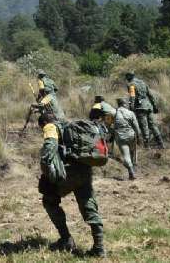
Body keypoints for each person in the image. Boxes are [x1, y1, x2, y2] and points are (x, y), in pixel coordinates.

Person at [38, 110, 105, 257]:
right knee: (89, 205)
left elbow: (49, 150)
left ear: (43, 123)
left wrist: (47, 170)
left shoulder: (50, 127)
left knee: (49, 200)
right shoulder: (68, 125)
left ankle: (66, 239)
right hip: (85, 171)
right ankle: (99, 248)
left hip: (69, 173)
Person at [102, 98, 140, 180]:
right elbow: (136, 127)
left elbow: (107, 124)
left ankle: (131, 172)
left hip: (120, 137)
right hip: (131, 135)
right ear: (125, 104)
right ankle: (133, 169)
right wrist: (138, 136)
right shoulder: (131, 113)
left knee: (126, 155)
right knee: (133, 153)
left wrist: (112, 131)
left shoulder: (113, 112)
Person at [125, 71, 164, 149]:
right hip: (149, 106)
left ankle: (147, 146)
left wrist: (131, 108)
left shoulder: (131, 85)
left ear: (129, 77)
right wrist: (155, 106)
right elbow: (150, 95)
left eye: (127, 77)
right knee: (153, 126)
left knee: (144, 127)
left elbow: (132, 97)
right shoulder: (142, 82)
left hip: (140, 108)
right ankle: (161, 144)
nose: (126, 79)